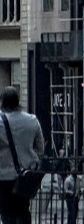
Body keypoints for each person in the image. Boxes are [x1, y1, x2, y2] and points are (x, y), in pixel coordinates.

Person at [0, 86, 45, 224]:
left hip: (4, 176)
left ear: (2, 101)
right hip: (26, 176)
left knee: (7, 213)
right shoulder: (32, 120)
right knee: (23, 210)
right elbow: (40, 149)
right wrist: (32, 162)